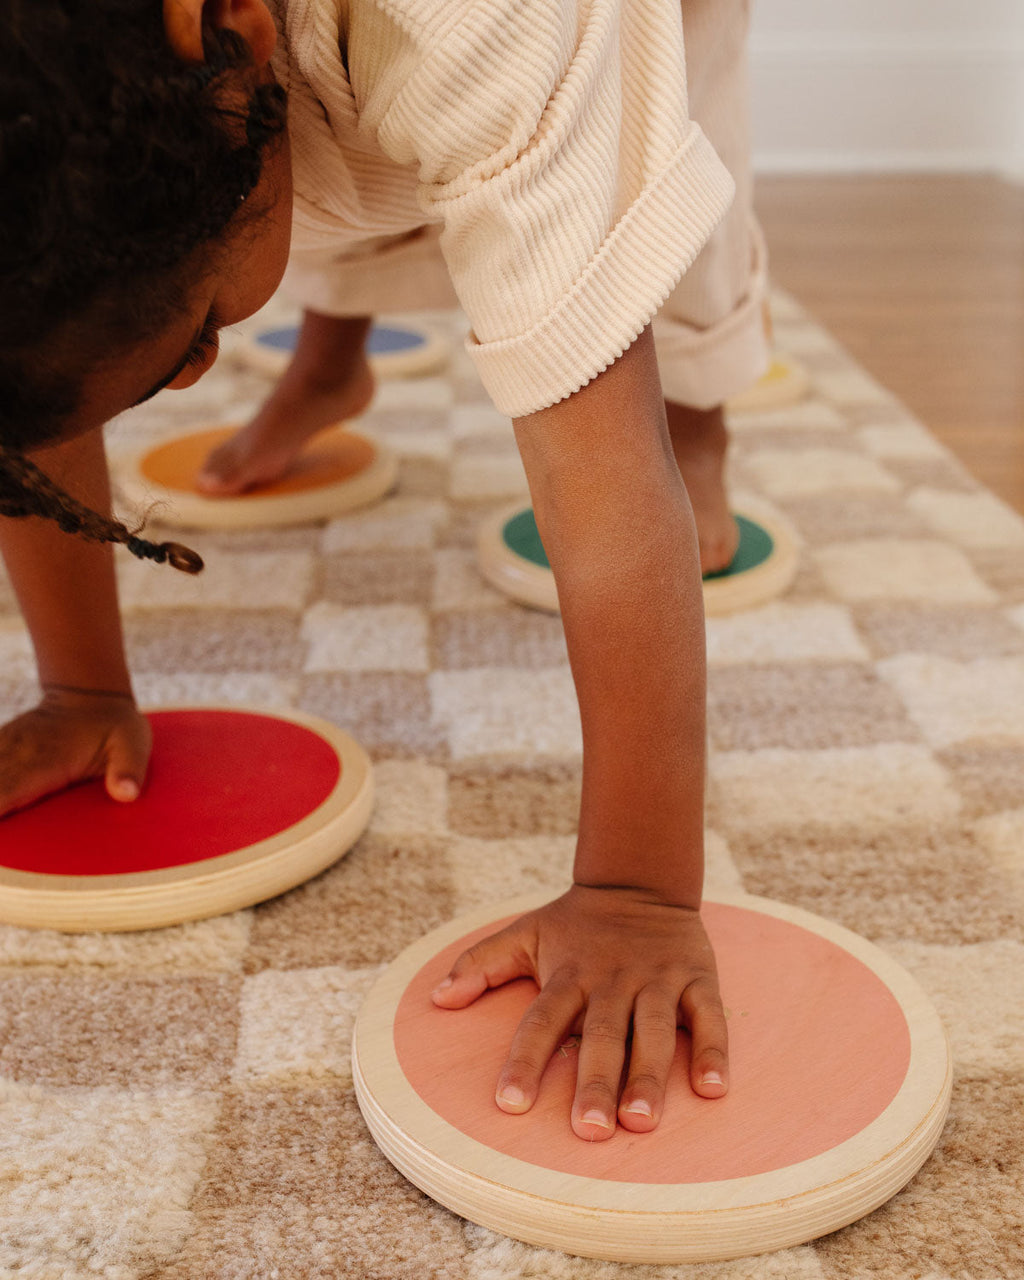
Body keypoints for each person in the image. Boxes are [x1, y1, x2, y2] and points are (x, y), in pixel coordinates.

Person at [0, 0, 763, 1142]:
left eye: (196, 334)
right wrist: (82, 689)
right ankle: (329, 363)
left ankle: (702, 418)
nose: (196, 371)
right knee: (314, 161)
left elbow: (597, 498)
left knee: (657, 193)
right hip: (320, 59)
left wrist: (636, 891)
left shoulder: (478, 30)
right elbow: (43, 366)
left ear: (236, 39)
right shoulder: (126, 89)